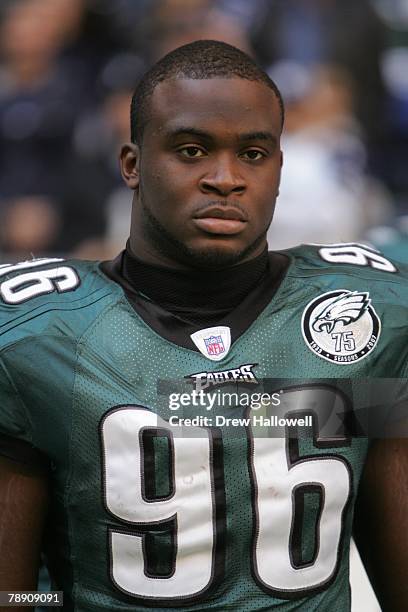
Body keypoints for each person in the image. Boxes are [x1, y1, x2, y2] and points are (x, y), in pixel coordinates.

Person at [0, 40, 407, 612]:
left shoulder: (362, 315)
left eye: (254, 154)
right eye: (191, 150)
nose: (226, 178)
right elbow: (9, 594)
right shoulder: (37, 333)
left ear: (280, 167)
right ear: (132, 164)